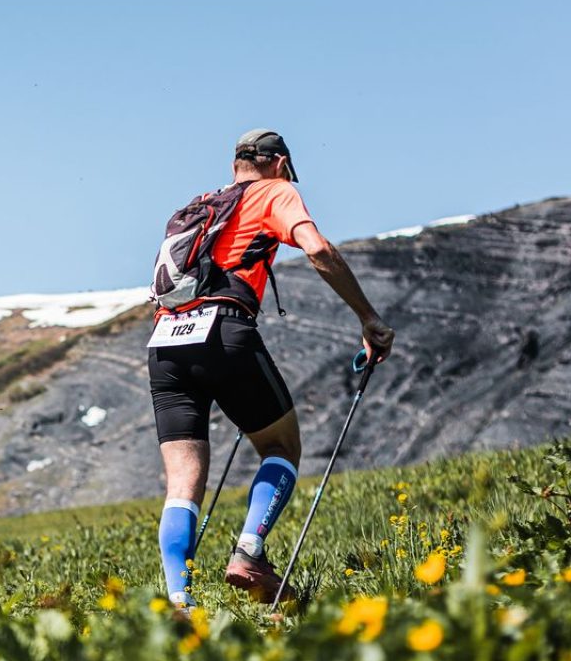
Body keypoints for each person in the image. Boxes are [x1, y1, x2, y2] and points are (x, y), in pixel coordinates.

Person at [147, 130, 395, 605]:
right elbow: (317, 250)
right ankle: (249, 551)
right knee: (281, 444)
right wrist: (369, 317)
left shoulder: (199, 206)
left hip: (164, 344)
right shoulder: (274, 191)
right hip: (222, 332)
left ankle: (180, 605)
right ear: (279, 163)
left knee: (182, 481)